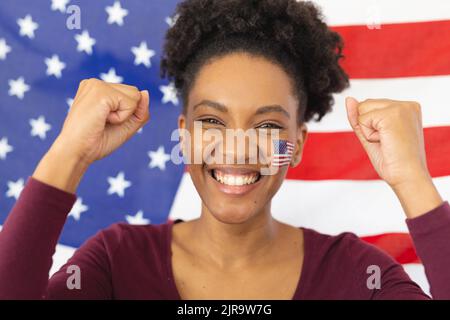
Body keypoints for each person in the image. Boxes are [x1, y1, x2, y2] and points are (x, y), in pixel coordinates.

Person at [0, 0, 449, 300]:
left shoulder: (357, 276)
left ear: (296, 146)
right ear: (184, 134)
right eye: (212, 121)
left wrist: (412, 181)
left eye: (268, 125)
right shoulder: (116, 263)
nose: (237, 150)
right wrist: (70, 152)